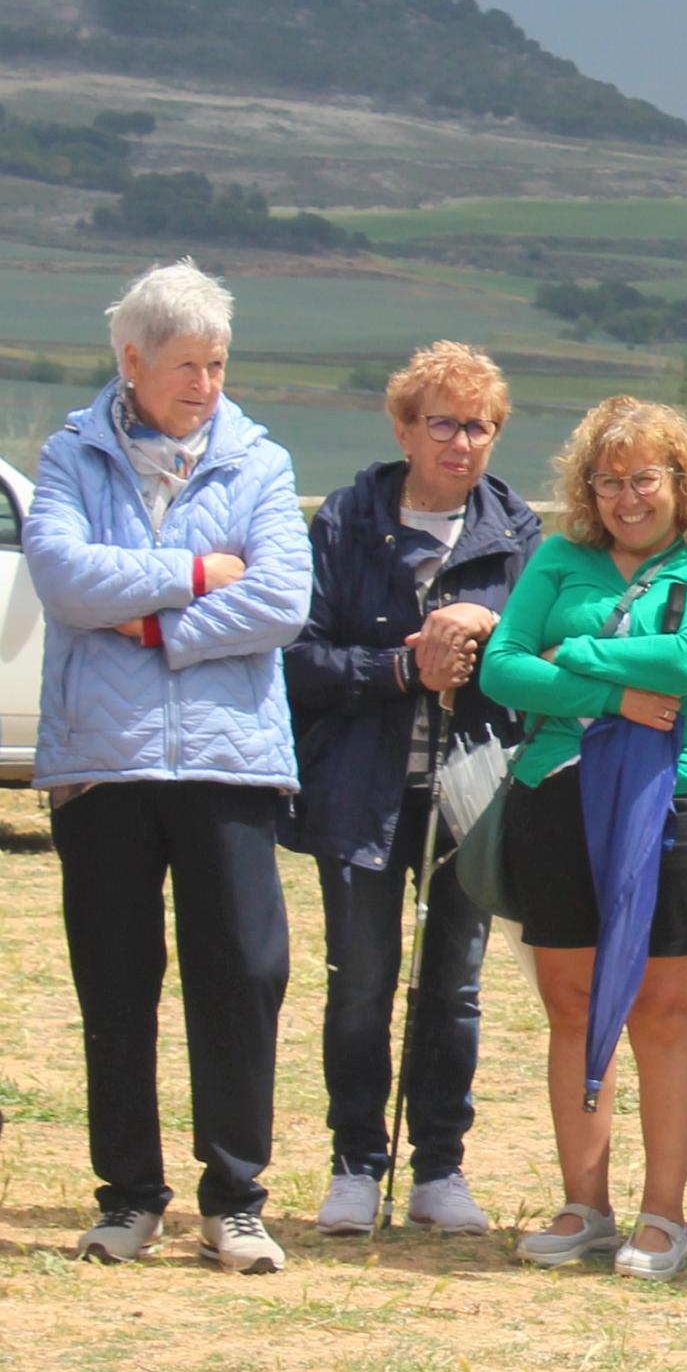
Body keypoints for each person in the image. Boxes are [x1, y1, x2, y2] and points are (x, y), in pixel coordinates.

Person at [22, 262, 313, 1275]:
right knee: (115, 980)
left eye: (218, 363)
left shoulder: (259, 462)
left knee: (243, 974)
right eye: (186, 364)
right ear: (132, 361)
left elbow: (281, 599)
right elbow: (63, 575)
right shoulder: (71, 455)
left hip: (229, 762)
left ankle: (235, 1199)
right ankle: (128, 1196)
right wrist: (193, 575)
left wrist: (150, 624)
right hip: (103, 762)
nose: (205, 383)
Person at [482, 396, 687, 1281]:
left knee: (664, 1010)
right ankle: (584, 1203)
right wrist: (615, 697)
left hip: (677, 795)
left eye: (644, 478)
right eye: (608, 481)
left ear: (681, 480)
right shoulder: (559, 557)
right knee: (570, 1003)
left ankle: (662, 1212)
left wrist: (574, 658)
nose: (626, 498)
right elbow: (500, 667)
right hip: (555, 793)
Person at [283, 343, 536, 1240]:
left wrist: (486, 621)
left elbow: (542, 649)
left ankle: (439, 1166)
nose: (461, 443)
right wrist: (402, 669)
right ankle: (356, 1162)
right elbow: (299, 658)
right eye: (443, 423)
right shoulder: (344, 521)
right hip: (362, 788)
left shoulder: (519, 534)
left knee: (452, 987)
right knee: (361, 981)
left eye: (479, 426)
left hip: (471, 795)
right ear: (403, 429)